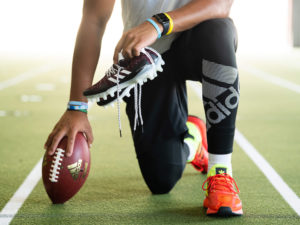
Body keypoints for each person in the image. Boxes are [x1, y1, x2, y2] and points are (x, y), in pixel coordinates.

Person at [44, 0, 242, 216]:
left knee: (218, 30)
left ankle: (221, 172)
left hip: (194, 36)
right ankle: (192, 139)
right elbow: (94, 19)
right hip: (146, 56)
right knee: (161, 178)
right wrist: (77, 107)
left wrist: (158, 24)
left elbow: (220, 4)